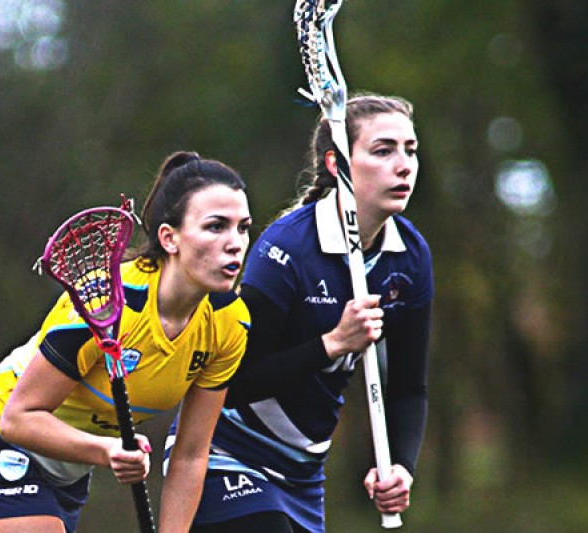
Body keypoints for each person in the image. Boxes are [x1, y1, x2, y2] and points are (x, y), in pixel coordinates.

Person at [0, 151, 253, 532]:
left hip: (66, 471)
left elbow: (191, 454)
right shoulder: (106, 302)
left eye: (243, 227)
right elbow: (17, 419)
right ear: (169, 238)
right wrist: (107, 450)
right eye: (216, 227)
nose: (235, 243)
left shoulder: (230, 323)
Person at [165, 94, 433, 532]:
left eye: (410, 150)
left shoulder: (410, 256)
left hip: (303, 473)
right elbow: (234, 382)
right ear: (336, 163)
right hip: (227, 452)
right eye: (383, 150)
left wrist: (401, 465)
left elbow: (409, 385)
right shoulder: (288, 248)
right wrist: (333, 344)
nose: (403, 165)